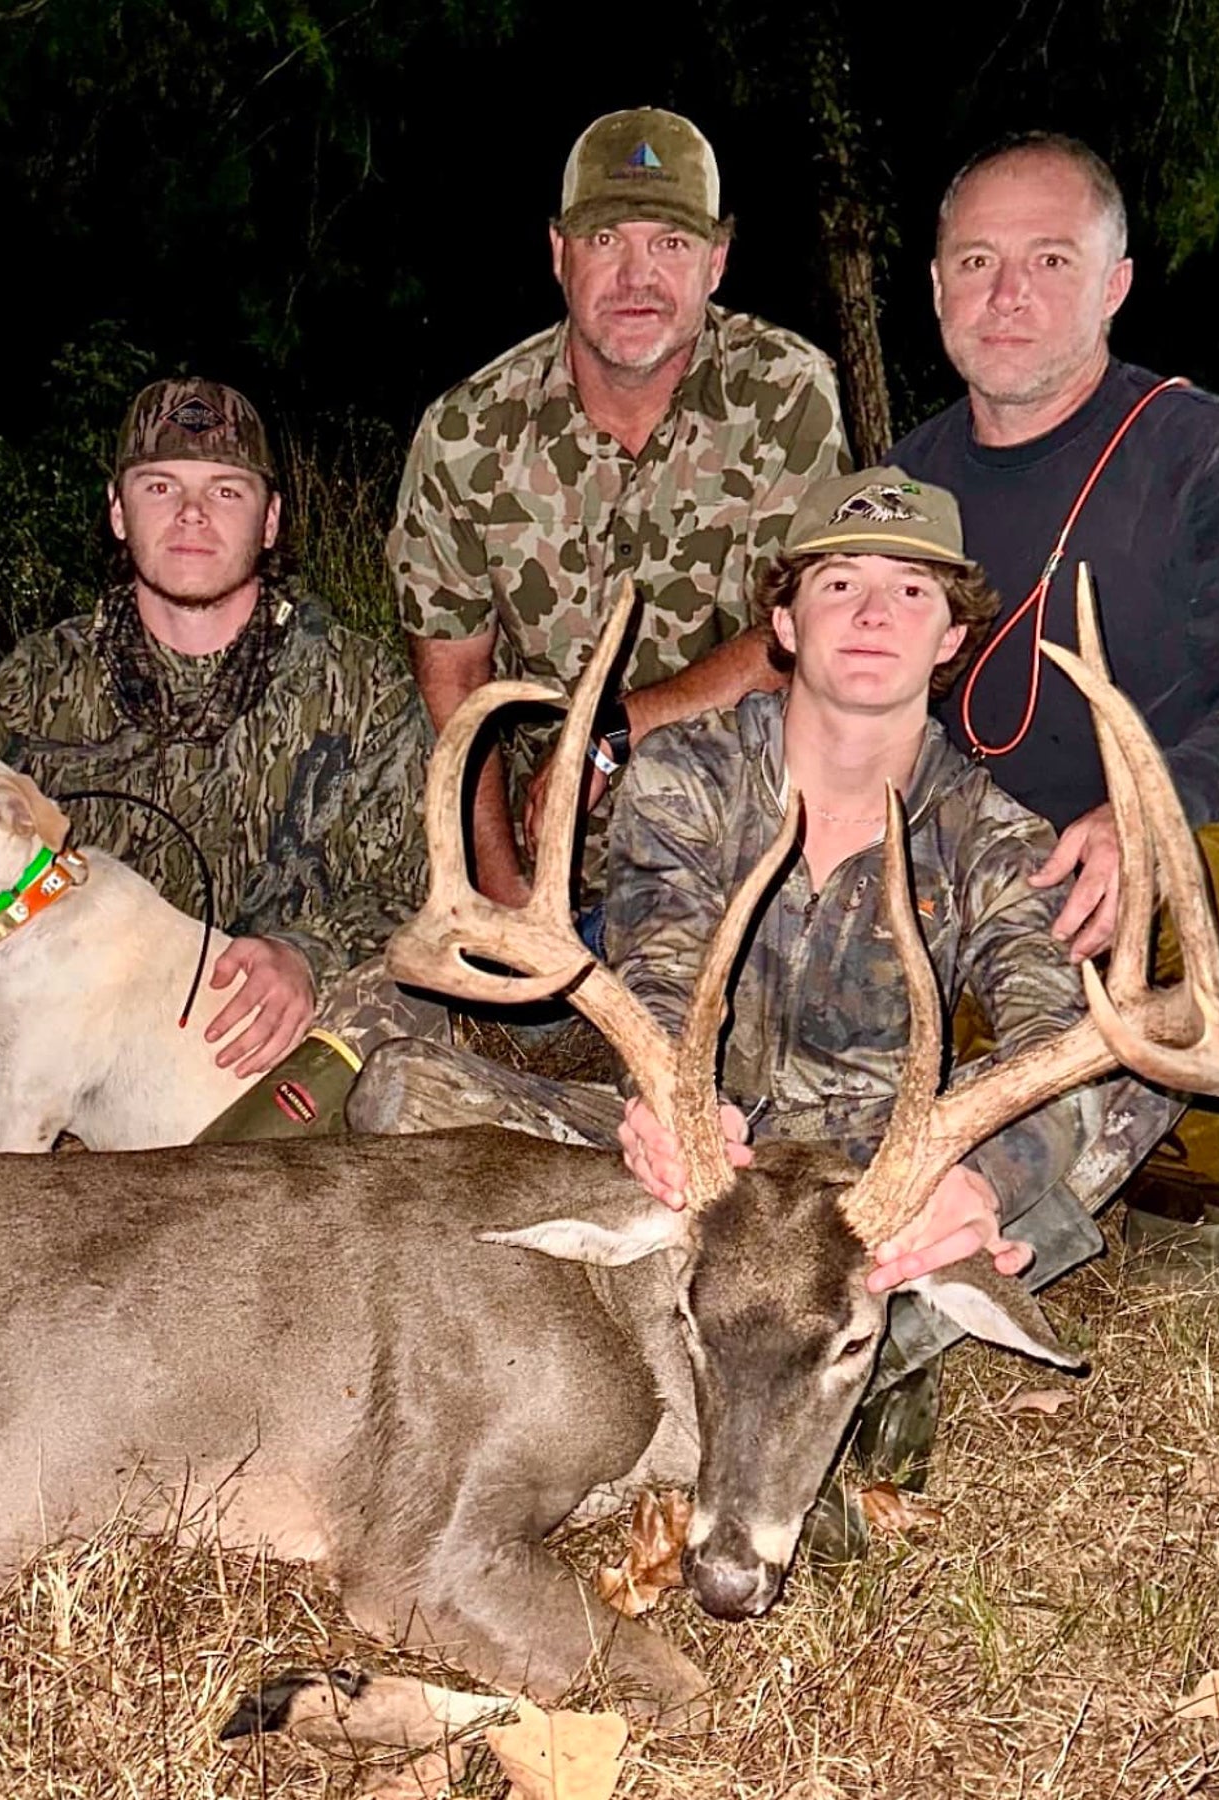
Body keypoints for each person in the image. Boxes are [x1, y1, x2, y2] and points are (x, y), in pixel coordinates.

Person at [350, 467, 1177, 1540]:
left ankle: (860, 1321)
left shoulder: (993, 834)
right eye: (839, 584)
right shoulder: (686, 773)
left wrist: (979, 1177)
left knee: (1123, 1076)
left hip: (873, 1189)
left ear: (951, 642)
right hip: (711, 1154)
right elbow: (657, 966)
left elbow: (1043, 1027)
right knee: (402, 1087)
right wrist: (662, 1100)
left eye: (912, 592)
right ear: (783, 623)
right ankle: (863, 1339)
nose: (874, 613)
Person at [0, 377, 441, 1178]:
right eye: (160, 486)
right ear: (119, 511)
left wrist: (305, 953)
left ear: (269, 522)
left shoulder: (361, 684)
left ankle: (210, 1203)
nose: (191, 513)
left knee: (398, 1004)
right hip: (65, 1024)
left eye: (225, 490)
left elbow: (413, 888)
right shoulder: (43, 678)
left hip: (266, 1028)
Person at [890, 133, 1219, 1279]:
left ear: (1114, 284)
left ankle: (1181, 1199)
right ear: (936, 283)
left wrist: (1145, 813)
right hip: (981, 862)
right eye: (976, 261)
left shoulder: (1209, 452)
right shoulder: (901, 485)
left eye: (1049, 260)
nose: (1006, 296)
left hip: (1167, 834)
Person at [389, 105, 850, 913]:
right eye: (607, 242)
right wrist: (504, 894)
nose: (638, 278)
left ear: (716, 261)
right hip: (538, 840)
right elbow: (456, 682)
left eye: (670, 245)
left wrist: (613, 728)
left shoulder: (785, 392)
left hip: (740, 828)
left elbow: (807, 633)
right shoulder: (466, 432)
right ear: (561, 255)